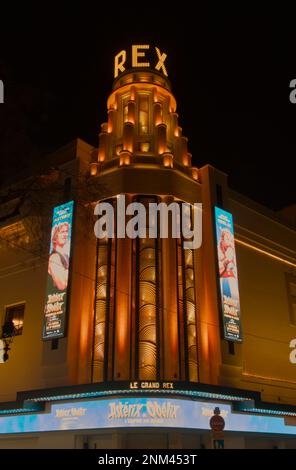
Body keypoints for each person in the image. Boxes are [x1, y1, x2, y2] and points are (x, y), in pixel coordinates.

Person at [48, 222, 70, 291]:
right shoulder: (54, 257)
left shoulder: (66, 256)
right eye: (62, 232)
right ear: (55, 236)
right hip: (57, 298)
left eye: (66, 231)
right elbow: (62, 285)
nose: (65, 235)